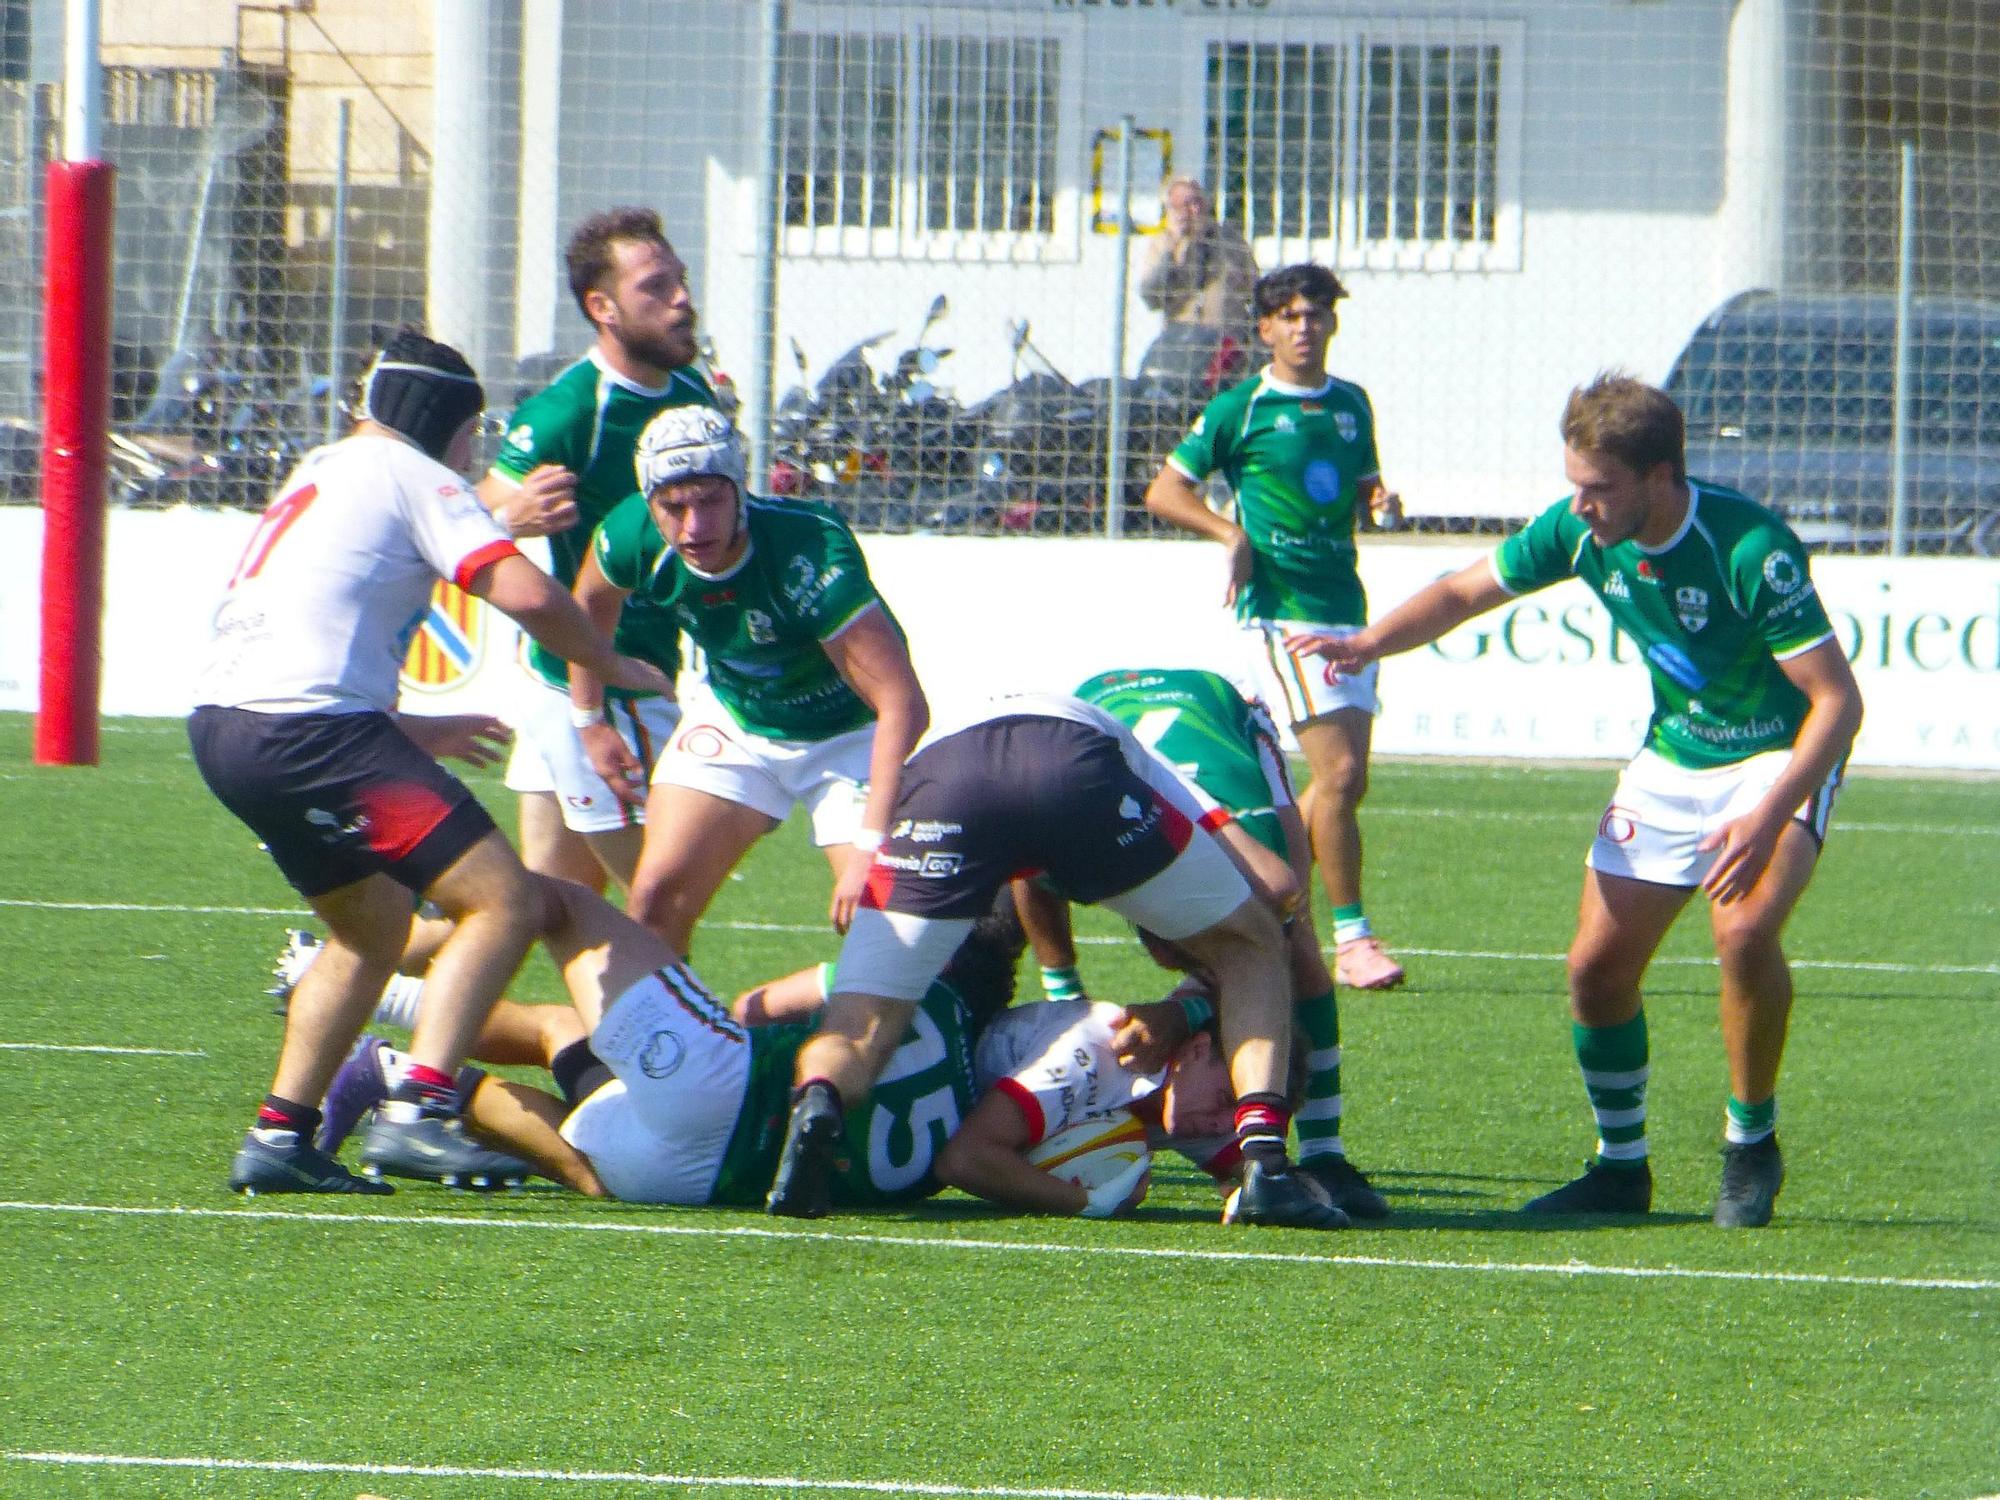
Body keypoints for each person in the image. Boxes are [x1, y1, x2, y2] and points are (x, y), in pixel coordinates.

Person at [1287, 372, 1863, 1228]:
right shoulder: (1580, 533)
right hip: (1674, 758)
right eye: (1574, 487)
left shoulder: (1749, 547)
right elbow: (1460, 593)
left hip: (1776, 758)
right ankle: (1621, 1169)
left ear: (1662, 476)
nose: (1581, 506)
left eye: (1600, 488)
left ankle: (1750, 1142)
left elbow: (1838, 703)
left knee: (1743, 932)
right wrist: (1369, 643)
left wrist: (1771, 811)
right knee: (1595, 971)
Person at [189, 329, 671, 1195]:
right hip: (314, 732)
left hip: (228, 730)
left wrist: (413, 732)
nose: (473, 451)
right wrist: (613, 664)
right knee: (507, 900)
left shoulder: (321, 467)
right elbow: (522, 591)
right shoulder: (413, 472)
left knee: (371, 929)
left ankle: (280, 1134)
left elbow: (309, 632)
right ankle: (419, 1108)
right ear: (448, 422)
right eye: (471, 433)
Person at [765, 693, 1346, 1231]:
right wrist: (1214, 980)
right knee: (1252, 945)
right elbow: (1276, 883)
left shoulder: (1034, 721)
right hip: (1071, 761)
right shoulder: (1143, 761)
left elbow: (1034, 875)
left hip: (941, 776)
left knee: (862, 1020)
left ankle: (820, 1099)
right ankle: (1265, 1161)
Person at [1012, 666, 1390, 1220]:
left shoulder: (1257, 867)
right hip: (1095, 714)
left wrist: (1184, 1011)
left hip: (1219, 711)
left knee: (1293, 931)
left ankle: (1325, 1155)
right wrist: (1065, 996)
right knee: (1274, 942)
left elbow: (1280, 951)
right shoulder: (1087, 842)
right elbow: (1028, 872)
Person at [570, 406, 928, 953]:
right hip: (737, 722)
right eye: (673, 506)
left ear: (740, 490)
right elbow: (588, 607)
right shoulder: (630, 535)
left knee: (882, 927)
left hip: (846, 739)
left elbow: (903, 702)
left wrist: (869, 844)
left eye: (710, 500)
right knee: (652, 903)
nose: (693, 525)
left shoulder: (807, 550)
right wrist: (590, 718)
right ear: (650, 504)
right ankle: (685, 1039)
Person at [1143, 262, 1408, 992]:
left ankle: (1270, 907)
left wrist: (1381, 501)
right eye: (1289, 315)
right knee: (1341, 773)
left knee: (1340, 789)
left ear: (1332, 324)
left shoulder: (1352, 405)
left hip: (1344, 608)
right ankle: (1352, 940)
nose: (1304, 327)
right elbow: (1164, 490)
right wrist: (1227, 533)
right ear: (1263, 328)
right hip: (1279, 610)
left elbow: (1359, 489)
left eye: (1316, 314)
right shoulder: (1242, 409)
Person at [482, 206, 719, 895]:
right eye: (656, 287)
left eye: (680, 280)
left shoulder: (692, 394)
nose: (682, 300)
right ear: (602, 307)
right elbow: (465, 508)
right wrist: (509, 516)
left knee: (545, 908)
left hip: (613, 678)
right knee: (660, 909)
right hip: (600, 688)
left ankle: (369, 976)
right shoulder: (569, 412)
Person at [1137, 178, 1258, 342]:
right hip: (1183, 341)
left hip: (1227, 341)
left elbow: (1254, 290)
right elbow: (1150, 298)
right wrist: (1171, 251)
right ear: (1169, 211)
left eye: (1196, 202)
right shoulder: (1162, 244)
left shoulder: (1231, 240)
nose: (1192, 210)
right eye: (1180, 206)